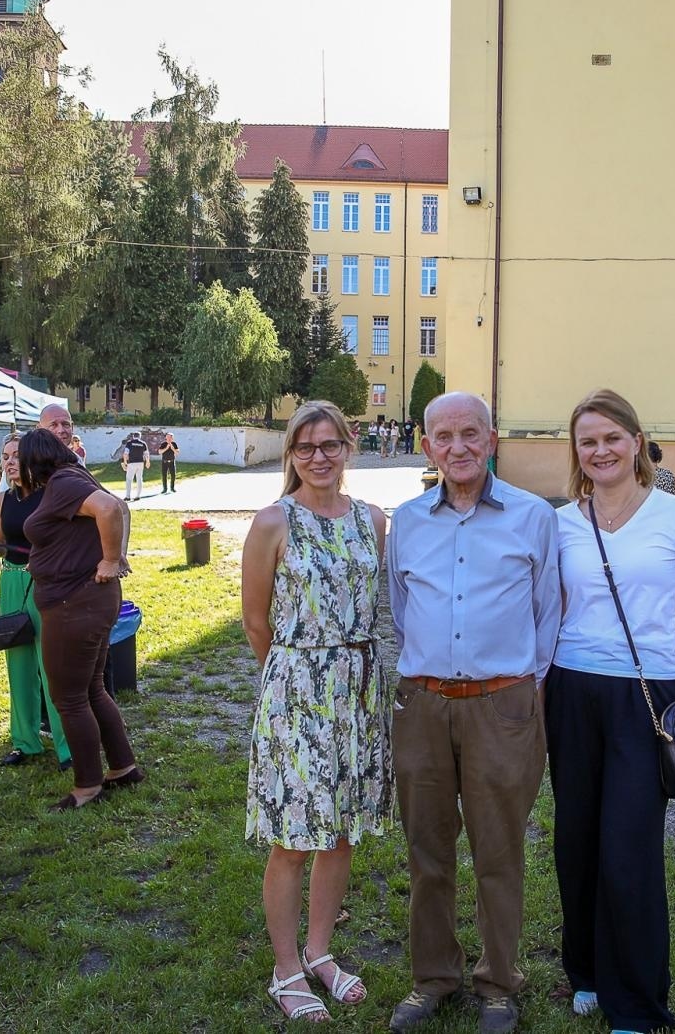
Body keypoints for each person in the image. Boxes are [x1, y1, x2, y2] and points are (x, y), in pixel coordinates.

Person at [386, 392, 561, 1034]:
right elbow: (402, 610)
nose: (456, 447)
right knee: (426, 848)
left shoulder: (534, 516)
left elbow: (549, 611)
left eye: (469, 434)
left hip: (503, 706)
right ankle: (433, 975)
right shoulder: (405, 521)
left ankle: (498, 982)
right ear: (426, 445)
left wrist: (525, 689)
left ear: (491, 440)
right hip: (424, 705)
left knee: (498, 849)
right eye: (442, 436)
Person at [546, 390, 675, 1032]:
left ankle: (636, 1000)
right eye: (587, 441)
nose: (600, 450)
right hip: (570, 689)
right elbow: (548, 614)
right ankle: (587, 969)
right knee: (576, 840)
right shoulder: (562, 522)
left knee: (630, 846)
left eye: (611, 437)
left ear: (637, 440)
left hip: (646, 695)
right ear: (576, 452)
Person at [242, 400, 390, 1023]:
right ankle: (286, 970)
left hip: (359, 691)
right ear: (291, 455)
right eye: (305, 448)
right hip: (297, 691)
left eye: (329, 445)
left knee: (340, 833)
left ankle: (321, 951)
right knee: (294, 839)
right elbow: (255, 621)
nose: (319, 457)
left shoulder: (373, 520)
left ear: (348, 447)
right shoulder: (274, 521)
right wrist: (296, 682)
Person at [17, 429, 142, 810]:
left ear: (32, 461)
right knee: (90, 689)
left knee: (68, 698)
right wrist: (115, 555)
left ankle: (87, 786)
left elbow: (109, 509)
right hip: (87, 600)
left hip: (74, 604)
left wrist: (111, 559)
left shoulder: (63, 482)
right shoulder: (77, 477)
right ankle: (122, 768)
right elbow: (120, 506)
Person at [0, 435, 72, 769]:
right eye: (5, 455)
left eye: (17, 455)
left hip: (45, 582)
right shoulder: (3, 501)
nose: (10, 462)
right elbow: (4, 545)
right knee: (19, 661)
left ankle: (68, 745)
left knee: (53, 664)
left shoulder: (51, 496)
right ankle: (25, 742)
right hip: (12, 580)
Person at [118, 432, 150, 501]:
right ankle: (138, 496)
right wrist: (147, 462)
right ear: (140, 436)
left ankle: (128, 496)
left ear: (133, 436)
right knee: (139, 479)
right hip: (140, 463)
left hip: (132, 463)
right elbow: (146, 454)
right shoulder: (143, 443)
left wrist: (125, 462)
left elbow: (126, 453)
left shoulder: (129, 443)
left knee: (129, 479)